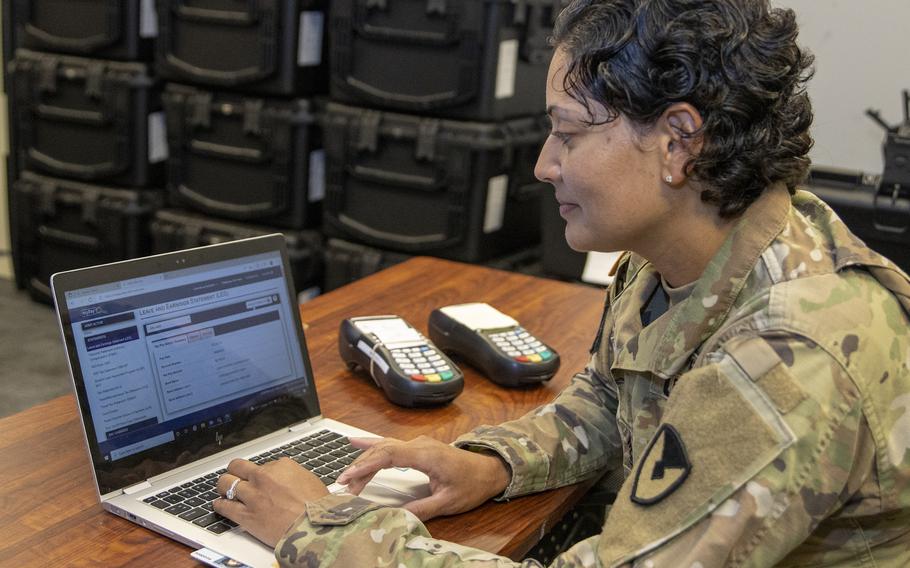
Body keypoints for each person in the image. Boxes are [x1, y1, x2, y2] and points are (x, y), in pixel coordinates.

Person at [213, 0, 910, 565]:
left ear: (677, 142)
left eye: (569, 133)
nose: (546, 164)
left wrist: (321, 526)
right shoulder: (684, 250)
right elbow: (615, 396)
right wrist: (492, 464)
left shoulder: (789, 354)